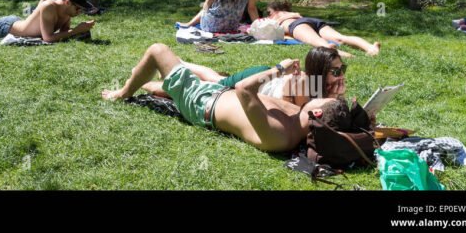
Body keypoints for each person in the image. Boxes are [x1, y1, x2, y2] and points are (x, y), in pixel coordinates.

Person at [102, 43, 333, 153]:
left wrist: (278, 70)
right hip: (216, 94)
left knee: (157, 50)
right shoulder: (299, 118)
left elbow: (244, 89)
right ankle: (155, 79)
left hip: (202, 102)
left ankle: (123, 93)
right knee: (180, 77)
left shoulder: (281, 136)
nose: (324, 97)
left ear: (318, 114)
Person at [138, 46, 348, 108]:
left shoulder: (322, 87)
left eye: (342, 70)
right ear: (319, 72)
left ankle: (180, 62)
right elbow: (300, 118)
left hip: (267, 79)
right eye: (336, 71)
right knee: (215, 82)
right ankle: (147, 80)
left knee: (211, 79)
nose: (340, 76)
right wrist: (336, 99)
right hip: (257, 80)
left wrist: (336, 96)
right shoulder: (303, 84)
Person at [266, 0, 380, 58]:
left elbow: (267, 28)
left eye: (268, 12)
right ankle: (371, 47)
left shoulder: (276, 16)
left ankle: (339, 53)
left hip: (297, 25)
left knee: (315, 40)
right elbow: (298, 14)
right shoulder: (292, 13)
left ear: (274, 10)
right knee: (340, 37)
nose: (267, 14)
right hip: (314, 21)